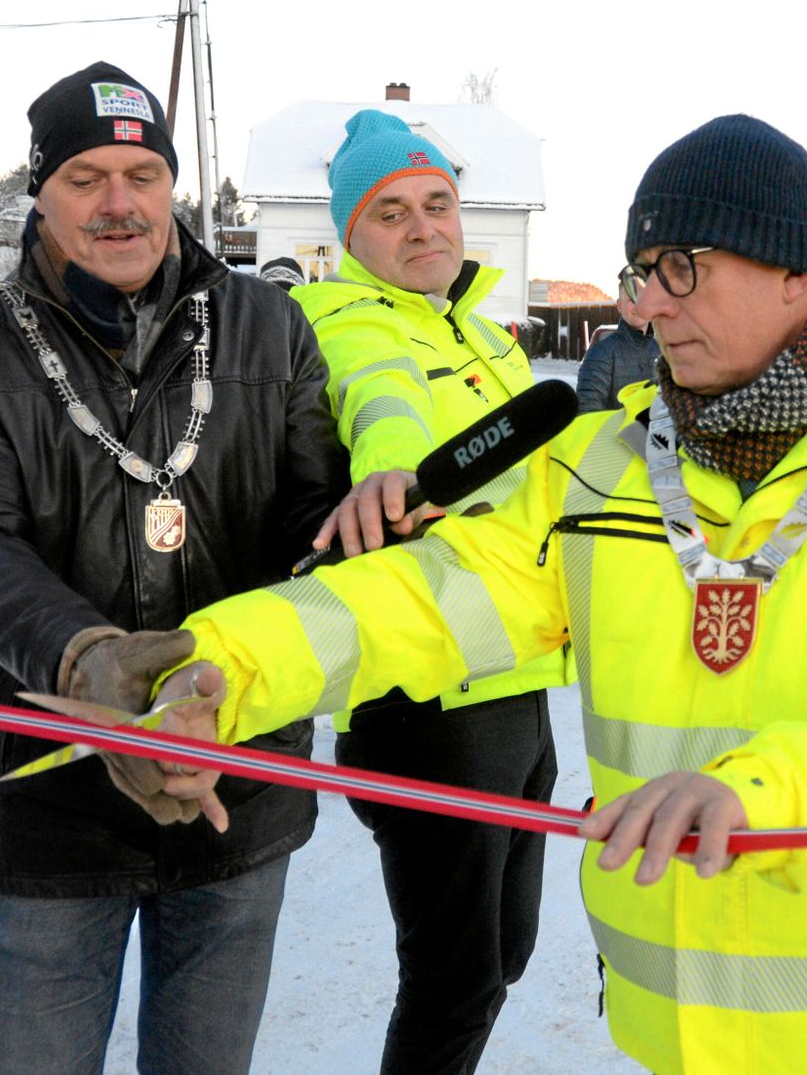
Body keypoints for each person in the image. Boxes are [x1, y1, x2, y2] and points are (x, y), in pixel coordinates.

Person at [140, 114, 807, 1073]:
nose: (652, 304)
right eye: (642, 272)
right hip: (676, 1037)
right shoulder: (602, 463)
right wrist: (222, 666)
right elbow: (423, 597)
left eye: (683, 266)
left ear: (797, 270)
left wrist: (768, 795)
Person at [0, 62, 348, 1075]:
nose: (119, 203)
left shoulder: (269, 325)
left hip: (240, 776)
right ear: (39, 193)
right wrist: (88, 660)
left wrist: (365, 533)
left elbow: (308, 513)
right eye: (86, 176)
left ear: (172, 184)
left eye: (143, 174)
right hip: (54, 803)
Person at [287, 107, 573, 1075]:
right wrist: (391, 470)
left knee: (505, 953)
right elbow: (382, 399)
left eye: (437, 204)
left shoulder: (487, 339)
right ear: (349, 236)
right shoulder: (343, 322)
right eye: (390, 212)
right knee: (453, 975)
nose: (422, 229)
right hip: (429, 693)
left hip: (514, 672)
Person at [576, 283, 661, 412]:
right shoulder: (601, 353)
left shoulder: (662, 352)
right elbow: (587, 413)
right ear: (620, 306)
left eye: (643, 299)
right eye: (631, 300)